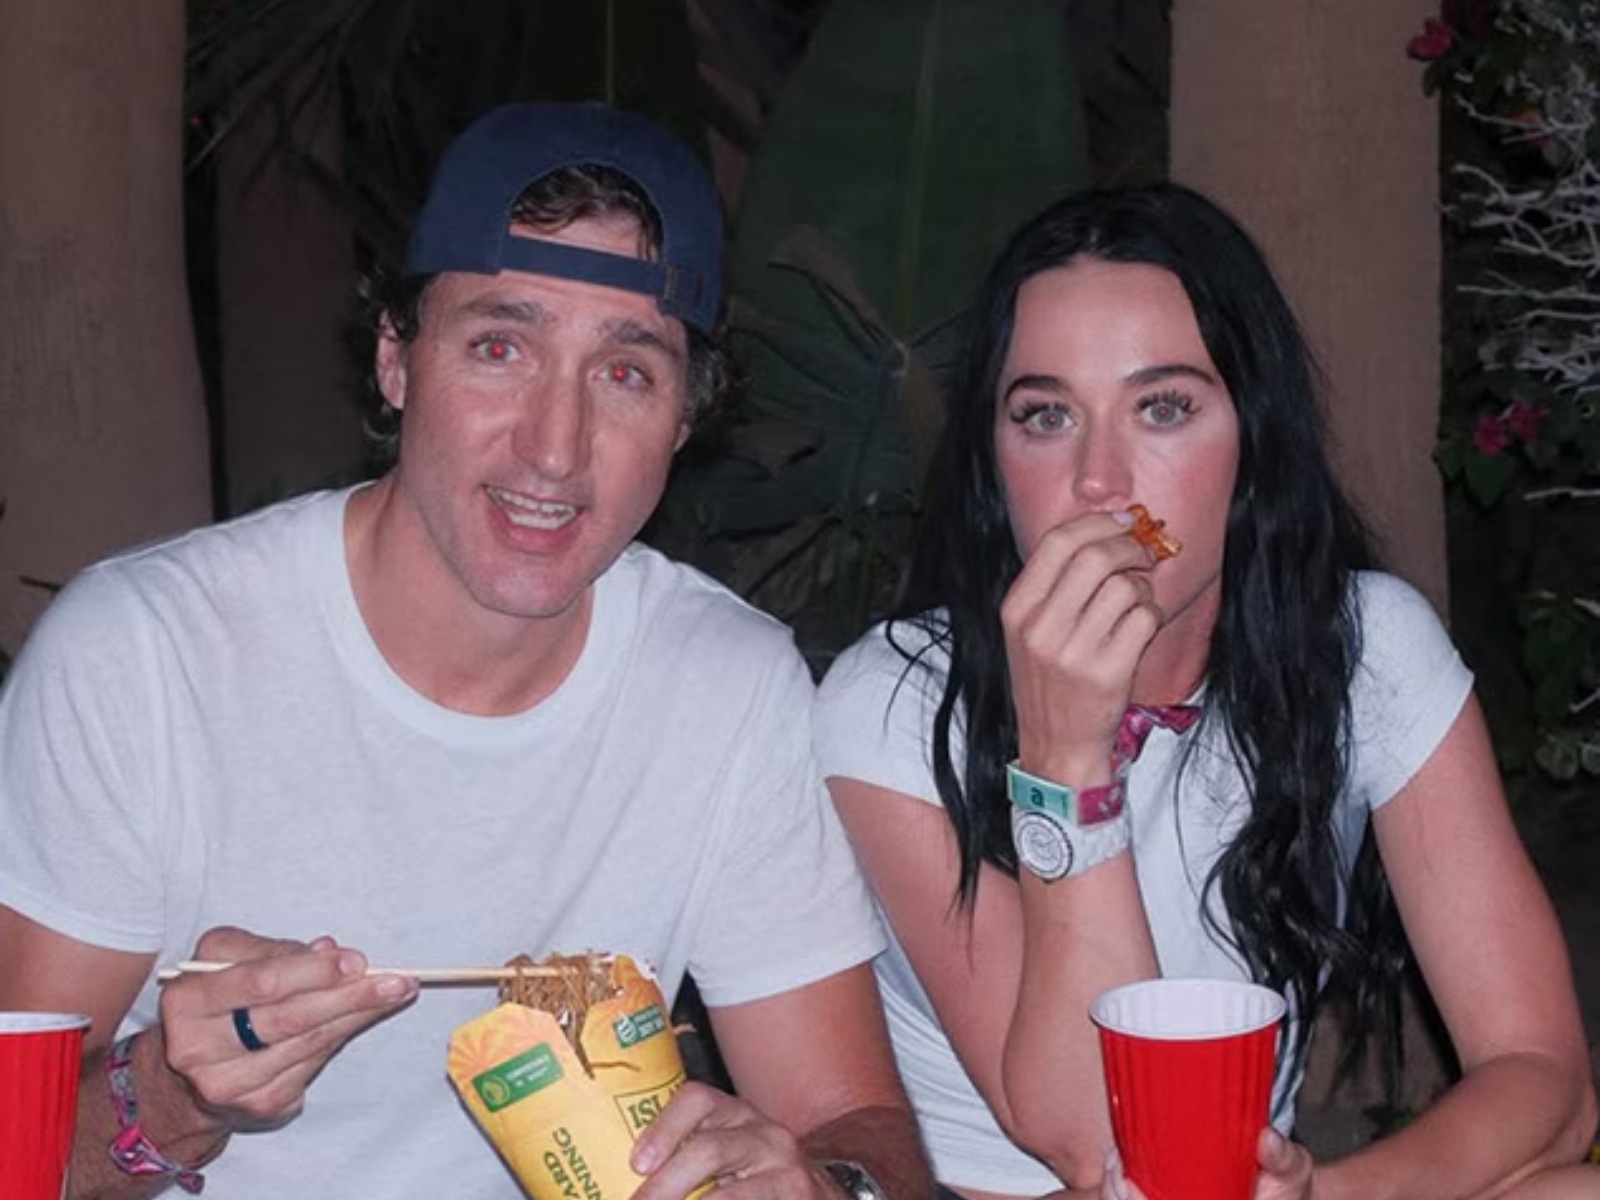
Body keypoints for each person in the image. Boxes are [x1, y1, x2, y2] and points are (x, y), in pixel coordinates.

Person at [0, 101, 933, 1200]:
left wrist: (828, 1185)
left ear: (686, 417)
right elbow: (14, 1155)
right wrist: (167, 1096)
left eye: (626, 372)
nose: (554, 448)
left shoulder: (728, 687)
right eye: (500, 347)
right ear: (396, 360)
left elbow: (855, 1125)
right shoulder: (145, 656)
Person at [813, 182, 1599, 1200]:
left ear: (1252, 442)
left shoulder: (1363, 648)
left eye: (1163, 408)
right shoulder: (895, 701)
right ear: (993, 462)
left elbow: (1545, 1078)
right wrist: (1066, 764)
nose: (1100, 479)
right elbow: (1099, 1146)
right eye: (1046, 415)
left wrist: (1329, 1196)